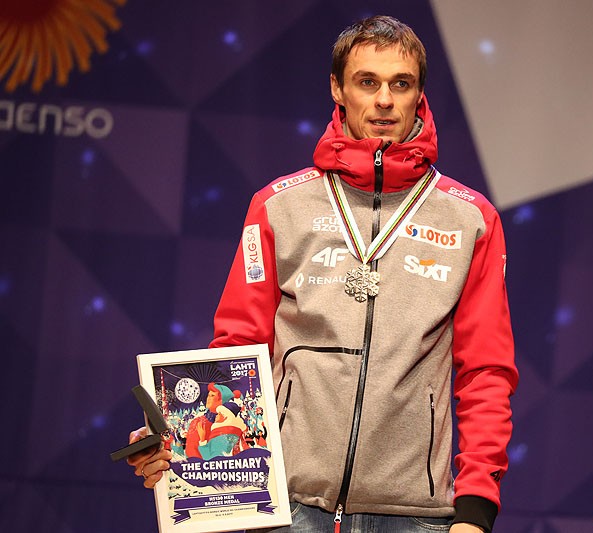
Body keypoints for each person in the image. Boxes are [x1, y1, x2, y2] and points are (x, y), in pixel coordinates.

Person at [128, 15, 517, 533]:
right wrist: (179, 442)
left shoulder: (470, 219)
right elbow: (238, 351)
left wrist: (476, 510)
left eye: (400, 84)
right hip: (287, 508)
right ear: (337, 88)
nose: (384, 100)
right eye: (367, 82)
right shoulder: (277, 207)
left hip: (415, 515)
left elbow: (486, 372)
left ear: (419, 94)